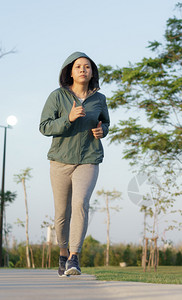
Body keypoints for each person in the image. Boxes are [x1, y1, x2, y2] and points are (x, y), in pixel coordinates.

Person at [39, 52, 110, 277]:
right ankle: (63, 251)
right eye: (78, 66)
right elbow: (44, 127)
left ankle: (74, 257)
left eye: (87, 67)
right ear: (70, 71)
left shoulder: (99, 99)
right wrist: (67, 119)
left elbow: (105, 123)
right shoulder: (57, 97)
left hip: (88, 158)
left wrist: (102, 131)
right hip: (60, 160)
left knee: (80, 204)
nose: (83, 70)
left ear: (92, 72)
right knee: (62, 213)